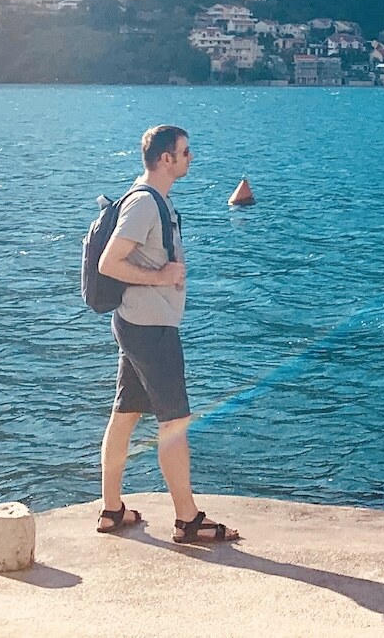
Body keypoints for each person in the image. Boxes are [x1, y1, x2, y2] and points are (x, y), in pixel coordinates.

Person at [96, 124, 239, 543]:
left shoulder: (154, 200)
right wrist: (160, 277)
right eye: (185, 152)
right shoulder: (144, 205)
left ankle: (111, 510)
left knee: (124, 415)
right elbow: (109, 263)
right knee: (174, 423)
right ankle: (187, 520)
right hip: (150, 329)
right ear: (166, 159)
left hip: (137, 323)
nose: (191, 158)